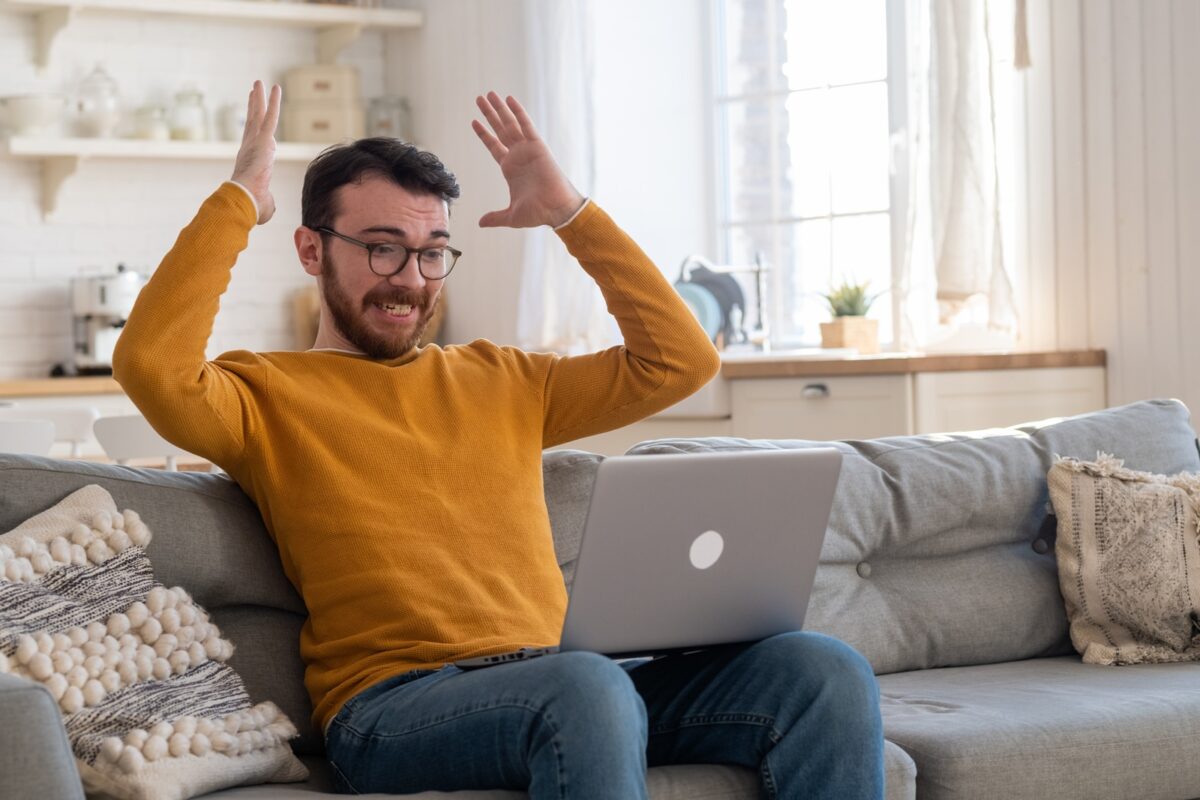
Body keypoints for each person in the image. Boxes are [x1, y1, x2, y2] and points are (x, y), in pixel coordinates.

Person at [113, 80, 885, 799]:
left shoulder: (503, 378)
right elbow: (151, 364)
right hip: (394, 707)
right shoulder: (263, 395)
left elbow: (682, 361)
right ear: (313, 251)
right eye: (383, 247)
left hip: (572, 682)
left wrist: (569, 213)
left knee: (821, 670)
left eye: (431, 252)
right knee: (586, 688)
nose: (411, 278)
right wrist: (240, 201)